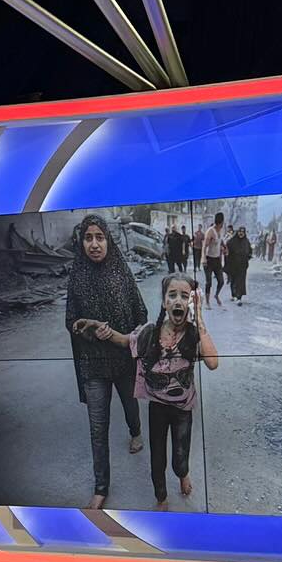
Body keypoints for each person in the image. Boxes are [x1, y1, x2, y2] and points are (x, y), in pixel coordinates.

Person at [93, 273, 218, 509]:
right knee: (157, 457)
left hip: (183, 408)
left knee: (180, 457)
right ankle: (161, 497)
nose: (178, 301)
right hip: (157, 407)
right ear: (164, 302)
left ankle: (183, 474)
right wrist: (106, 333)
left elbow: (213, 362)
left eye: (185, 296)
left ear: (191, 303)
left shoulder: (193, 335)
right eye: (173, 295)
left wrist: (200, 319)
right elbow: (125, 341)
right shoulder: (150, 332)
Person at [64, 216, 147, 510]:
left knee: (130, 406)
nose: (94, 244)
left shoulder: (121, 272)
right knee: (97, 427)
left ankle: (135, 432)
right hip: (93, 363)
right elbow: (70, 320)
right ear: (82, 242)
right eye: (89, 238)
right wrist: (85, 327)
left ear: (108, 240)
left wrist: (125, 337)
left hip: (123, 360)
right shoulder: (77, 276)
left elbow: (141, 313)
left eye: (100, 237)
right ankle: (101, 487)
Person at [202, 211, 227, 306]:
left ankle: (216, 295)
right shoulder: (210, 231)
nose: (222, 225)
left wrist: (225, 248)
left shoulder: (221, 231)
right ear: (220, 222)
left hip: (217, 260)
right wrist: (204, 259)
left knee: (221, 281)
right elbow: (204, 246)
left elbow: (221, 241)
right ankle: (207, 301)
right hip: (209, 259)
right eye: (222, 223)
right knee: (209, 282)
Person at [227, 225, 254, 305]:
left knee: (241, 281)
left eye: (242, 232)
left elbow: (250, 251)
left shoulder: (246, 241)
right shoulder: (232, 241)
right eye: (239, 232)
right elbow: (227, 247)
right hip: (233, 264)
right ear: (237, 232)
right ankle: (233, 294)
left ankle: (239, 297)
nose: (241, 233)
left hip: (242, 265)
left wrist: (248, 256)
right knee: (233, 280)